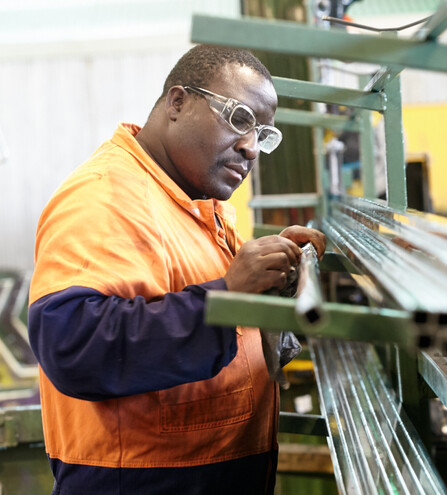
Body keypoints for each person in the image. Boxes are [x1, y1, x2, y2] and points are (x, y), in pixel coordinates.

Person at [28, 44, 326, 495]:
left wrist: (266, 292)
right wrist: (227, 295)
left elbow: (199, 311)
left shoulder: (194, 203)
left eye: (263, 134)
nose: (250, 147)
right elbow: (72, 344)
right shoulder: (105, 197)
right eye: (239, 118)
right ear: (178, 102)